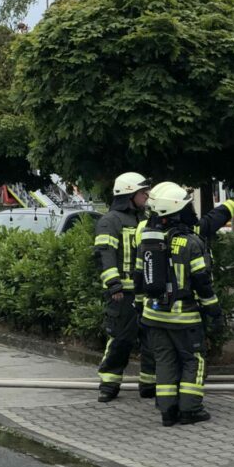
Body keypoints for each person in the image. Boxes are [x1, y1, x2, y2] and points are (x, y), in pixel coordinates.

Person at [136, 182, 223, 427]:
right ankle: (190, 410)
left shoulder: (148, 240)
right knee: (193, 360)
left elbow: (139, 279)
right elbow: (202, 283)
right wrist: (214, 312)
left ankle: (167, 411)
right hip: (184, 317)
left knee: (164, 361)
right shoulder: (190, 243)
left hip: (153, 315)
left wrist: (141, 310)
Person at [93, 172, 152, 402]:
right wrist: (114, 285)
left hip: (145, 292)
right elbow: (104, 254)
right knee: (121, 339)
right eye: (142, 192)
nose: (146, 196)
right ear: (129, 194)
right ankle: (109, 383)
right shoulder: (110, 221)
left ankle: (149, 384)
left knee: (150, 340)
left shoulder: (143, 219)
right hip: (123, 294)